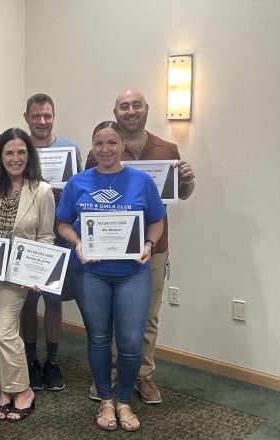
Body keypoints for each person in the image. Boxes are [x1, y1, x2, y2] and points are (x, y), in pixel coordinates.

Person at [85, 88, 196, 405]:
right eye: (124, 106)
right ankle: (108, 376)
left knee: (147, 316)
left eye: (136, 105)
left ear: (146, 109)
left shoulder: (168, 149)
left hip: (153, 248)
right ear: (116, 111)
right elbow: (87, 196)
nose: (130, 111)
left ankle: (142, 376)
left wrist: (186, 179)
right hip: (109, 249)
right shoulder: (100, 151)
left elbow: (181, 194)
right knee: (107, 317)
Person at [56, 121, 166, 432]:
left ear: (122, 146)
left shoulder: (141, 181)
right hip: (91, 274)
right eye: (99, 144)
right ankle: (106, 398)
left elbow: (157, 220)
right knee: (100, 339)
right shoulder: (78, 182)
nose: (105, 149)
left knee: (131, 343)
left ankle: (124, 400)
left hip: (133, 273)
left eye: (112, 143)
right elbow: (62, 222)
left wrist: (148, 243)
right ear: (92, 147)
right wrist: (77, 241)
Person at [0, 128, 55, 422]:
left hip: (18, 274)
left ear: (29, 156)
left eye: (21, 152)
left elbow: (46, 237)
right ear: (0, 156)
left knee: (4, 331)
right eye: (9, 152)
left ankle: (23, 390)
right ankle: (5, 387)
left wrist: (38, 272)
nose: (15, 158)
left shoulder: (41, 190)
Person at [20, 93, 83, 392]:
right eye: (36, 116)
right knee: (29, 300)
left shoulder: (70, 148)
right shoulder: (19, 148)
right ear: (26, 118)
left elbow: (82, 191)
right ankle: (32, 360)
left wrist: (65, 194)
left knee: (54, 300)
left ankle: (53, 361)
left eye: (47, 116)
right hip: (28, 236)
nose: (42, 121)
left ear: (53, 116)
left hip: (59, 233)